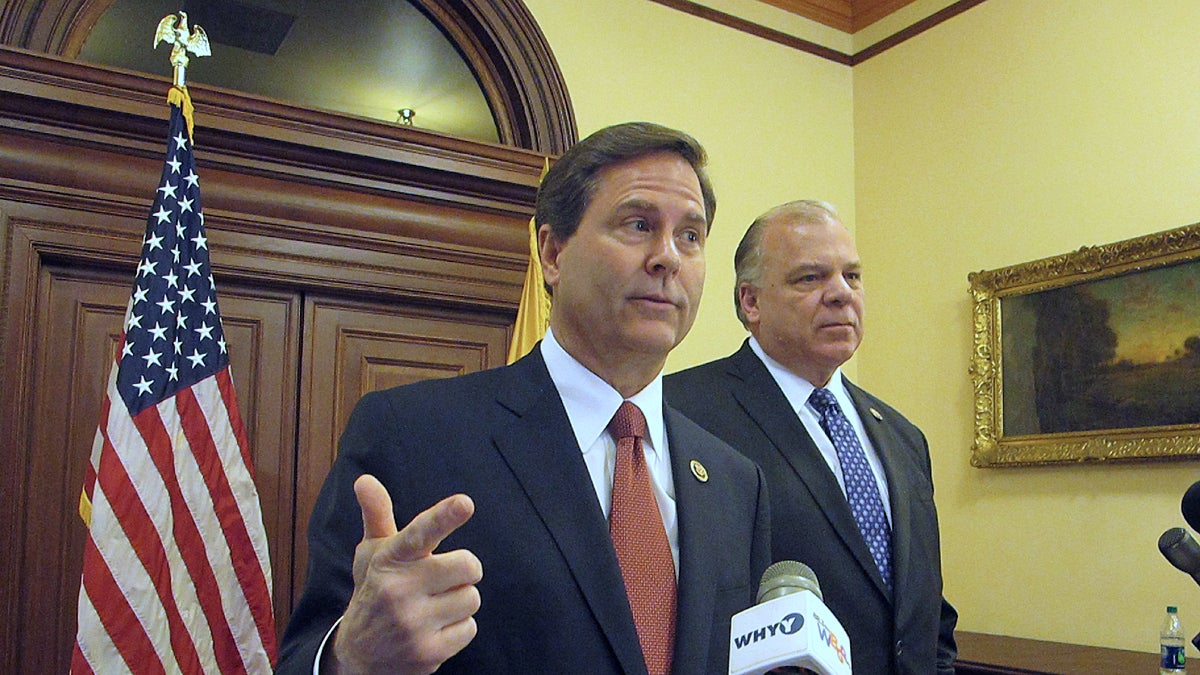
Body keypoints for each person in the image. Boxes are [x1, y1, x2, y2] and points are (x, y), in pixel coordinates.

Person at [277, 122, 772, 674]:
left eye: (691, 236)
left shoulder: (735, 481)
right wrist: (352, 658)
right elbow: (303, 658)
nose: (668, 258)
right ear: (553, 252)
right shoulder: (411, 434)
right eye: (638, 225)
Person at [665, 200, 958, 675]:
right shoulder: (681, 412)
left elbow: (927, 615)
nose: (842, 294)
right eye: (810, 278)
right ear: (751, 301)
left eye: (853, 276)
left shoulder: (904, 437)